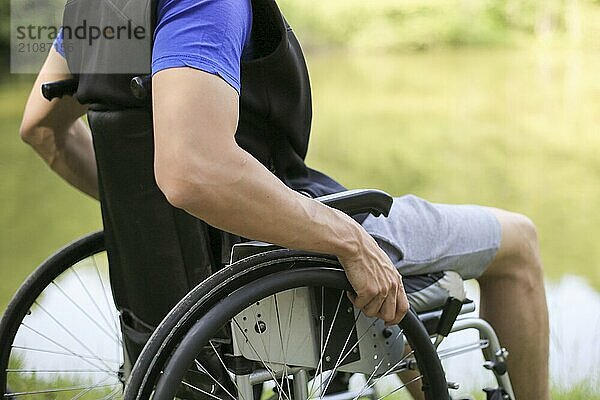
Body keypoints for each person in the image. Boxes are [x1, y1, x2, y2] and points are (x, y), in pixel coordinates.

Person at [19, 0, 549, 398]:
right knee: (518, 242)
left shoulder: (98, 10)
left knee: (395, 290)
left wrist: (156, 220)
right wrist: (348, 242)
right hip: (274, 257)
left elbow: (41, 131)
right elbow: (189, 171)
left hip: (178, 298)